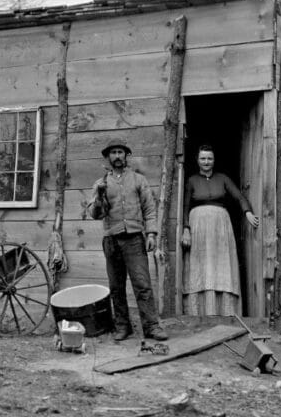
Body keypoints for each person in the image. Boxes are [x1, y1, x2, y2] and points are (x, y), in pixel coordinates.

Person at [89, 138, 168, 342]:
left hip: (134, 239)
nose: (117, 156)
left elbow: (150, 208)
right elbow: (95, 214)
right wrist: (99, 197)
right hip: (111, 240)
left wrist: (151, 234)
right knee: (116, 286)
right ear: (108, 157)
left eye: (120, 152)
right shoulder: (100, 184)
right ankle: (122, 326)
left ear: (126, 156)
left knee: (142, 284)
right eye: (113, 153)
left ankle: (151, 326)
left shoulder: (138, 180)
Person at [181, 144, 259, 317]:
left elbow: (239, 196)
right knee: (200, 263)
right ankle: (198, 311)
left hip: (220, 225)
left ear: (214, 160)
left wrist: (247, 212)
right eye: (203, 158)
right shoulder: (192, 180)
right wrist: (186, 228)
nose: (206, 162)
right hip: (198, 225)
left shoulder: (222, 178)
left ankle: (225, 311)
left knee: (220, 262)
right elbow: (185, 206)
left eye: (209, 158)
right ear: (197, 160)